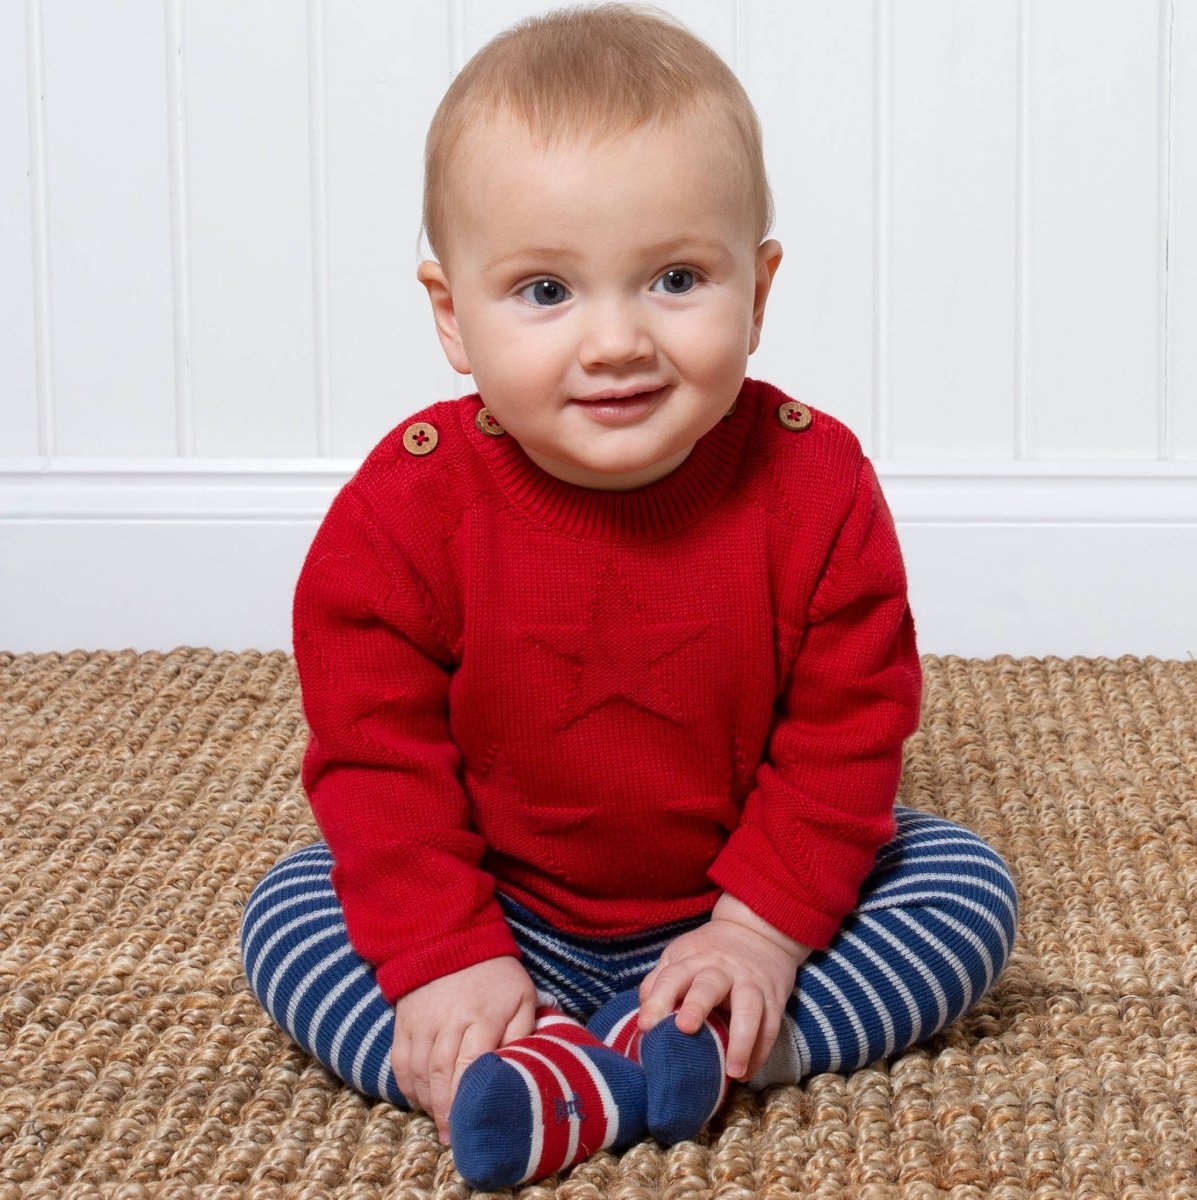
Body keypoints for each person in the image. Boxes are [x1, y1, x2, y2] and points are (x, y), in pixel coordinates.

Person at [241, 4, 1017, 1190]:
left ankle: (679, 1050)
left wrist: (758, 935)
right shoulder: (406, 511)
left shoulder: (815, 483)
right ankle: (544, 1054)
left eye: (675, 278)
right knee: (291, 908)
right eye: (545, 290)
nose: (615, 341)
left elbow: (846, 735)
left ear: (758, 288)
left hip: (736, 898)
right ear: (452, 314)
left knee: (965, 888)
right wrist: (446, 956)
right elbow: (375, 756)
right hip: (504, 906)